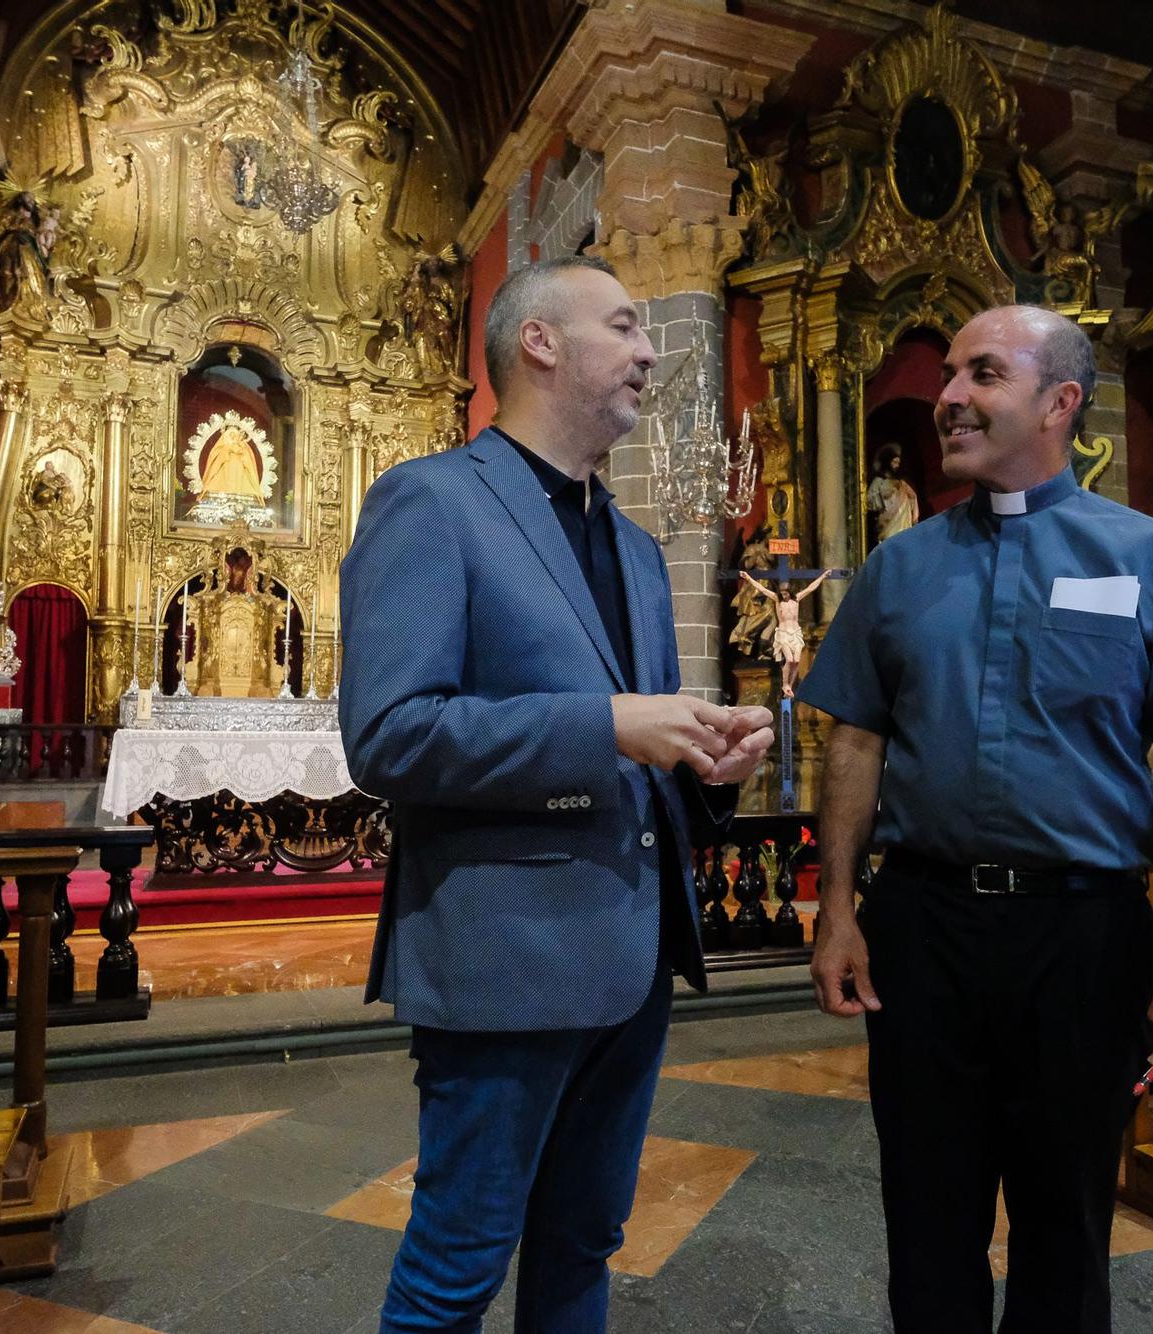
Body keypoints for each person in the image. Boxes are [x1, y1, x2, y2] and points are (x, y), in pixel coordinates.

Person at [797, 305, 1153, 1332]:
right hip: (920, 931)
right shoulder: (898, 567)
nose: (946, 396)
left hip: (1079, 935)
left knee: (1064, 1225)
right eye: (946, 374)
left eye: (981, 373)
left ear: (1059, 402)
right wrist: (836, 905)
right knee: (925, 1220)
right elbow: (853, 741)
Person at [340, 254, 774, 1332]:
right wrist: (608, 725)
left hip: (630, 949)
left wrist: (698, 762)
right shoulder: (431, 500)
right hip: (503, 954)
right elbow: (388, 735)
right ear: (539, 342)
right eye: (624, 326)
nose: (648, 351)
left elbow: (631, 740)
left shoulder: (630, 543)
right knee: (456, 1266)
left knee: (582, 1245)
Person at [737, 569, 838, 698]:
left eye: (786, 594)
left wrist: (823, 576)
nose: (784, 596)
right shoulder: (776, 600)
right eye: (782, 594)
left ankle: (789, 685)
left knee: (796, 661)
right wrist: (748, 578)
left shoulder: (796, 600)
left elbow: (811, 588)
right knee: (789, 660)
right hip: (783, 634)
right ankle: (785, 684)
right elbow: (762, 589)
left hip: (795, 633)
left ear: (790, 593)